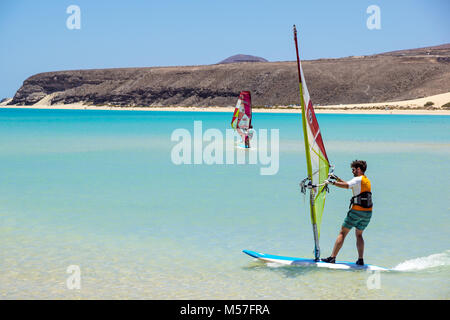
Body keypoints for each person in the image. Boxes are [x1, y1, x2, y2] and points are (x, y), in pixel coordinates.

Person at [321, 160, 373, 265]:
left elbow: (346, 186)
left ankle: (332, 257)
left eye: (353, 170)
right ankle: (361, 259)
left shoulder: (357, 179)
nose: (352, 172)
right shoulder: (366, 180)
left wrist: (332, 182)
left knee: (343, 233)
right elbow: (349, 184)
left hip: (356, 212)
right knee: (359, 235)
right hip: (367, 213)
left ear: (359, 169)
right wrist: (336, 178)